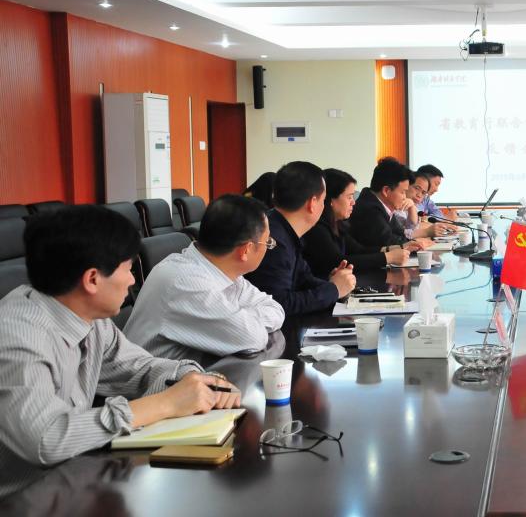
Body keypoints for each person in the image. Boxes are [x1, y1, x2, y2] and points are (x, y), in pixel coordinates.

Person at [0, 206, 241, 498]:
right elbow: (46, 438)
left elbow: (140, 368)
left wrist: (194, 380)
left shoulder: (89, 318)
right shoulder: (18, 336)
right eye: (127, 268)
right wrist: (165, 404)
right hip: (20, 500)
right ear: (92, 279)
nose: (132, 280)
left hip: (73, 482)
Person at [124, 195, 286, 360]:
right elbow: (251, 339)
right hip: (149, 377)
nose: (268, 248)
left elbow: (275, 309)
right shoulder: (186, 282)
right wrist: (244, 320)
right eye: (268, 242)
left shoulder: (223, 271)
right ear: (246, 250)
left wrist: (242, 318)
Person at [245, 161, 356, 315]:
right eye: (323, 200)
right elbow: (278, 305)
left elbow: (303, 278)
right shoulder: (273, 239)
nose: (324, 206)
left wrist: (331, 284)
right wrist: (334, 290)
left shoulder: (283, 228)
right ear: (312, 203)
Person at [303, 168, 415, 277]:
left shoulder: (338, 224)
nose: (353, 202)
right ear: (331, 199)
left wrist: (396, 248)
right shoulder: (317, 228)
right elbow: (337, 262)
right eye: (349, 197)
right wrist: (388, 257)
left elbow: (359, 250)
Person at [349, 158, 436, 248]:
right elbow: (388, 242)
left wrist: (416, 242)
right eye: (402, 192)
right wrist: (416, 243)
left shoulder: (382, 206)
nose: (404, 197)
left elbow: (400, 233)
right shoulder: (370, 210)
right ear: (386, 191)